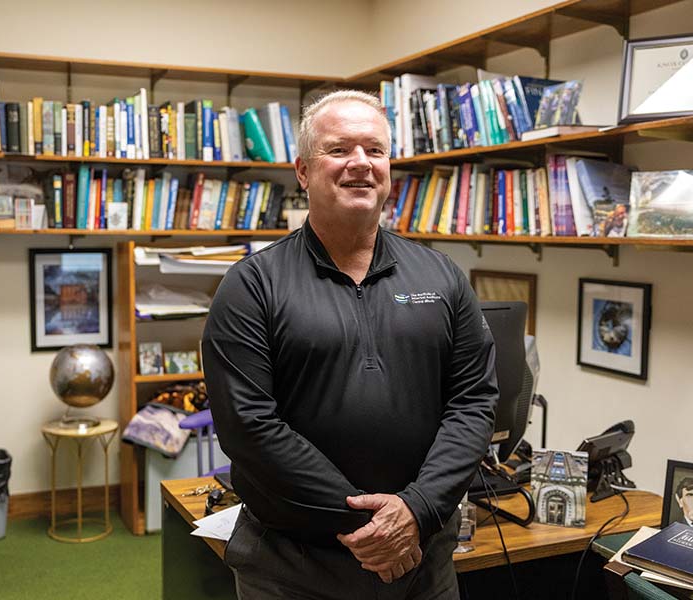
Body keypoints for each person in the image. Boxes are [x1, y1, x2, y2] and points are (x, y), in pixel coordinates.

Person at [202, 90, 498, 600]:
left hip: (422, 562)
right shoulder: (252, 285)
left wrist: (417, 511)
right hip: (295, 568)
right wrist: (376, 523)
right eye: (339, 149)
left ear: (388, 168)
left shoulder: (443, 276)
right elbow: (248, 425)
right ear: (303, 171)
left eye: (375, 150)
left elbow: (473, 401)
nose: (360, 163)